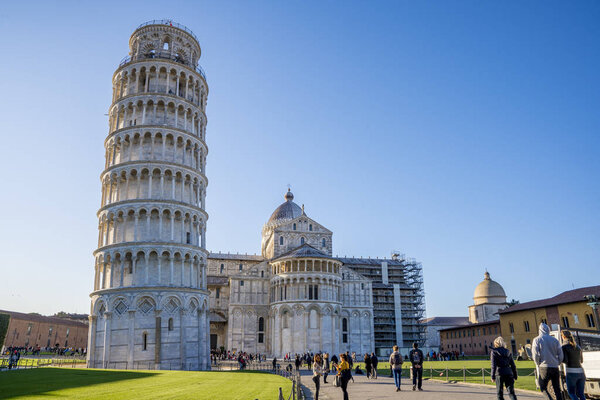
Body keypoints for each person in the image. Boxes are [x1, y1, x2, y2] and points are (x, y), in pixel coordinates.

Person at [532, 323, 564, 400]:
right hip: (555, 367)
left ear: (540, 330)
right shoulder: (555, 340)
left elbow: (535, 354)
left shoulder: (537, 340)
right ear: (548, 330)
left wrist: (538, 363)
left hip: (544, 367)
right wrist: (558, 362)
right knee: (557, 388)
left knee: (543, 387)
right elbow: (561, 354)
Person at [561, 330, 585, 400]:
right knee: (581, 394)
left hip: (571, 372)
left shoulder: (564, 347)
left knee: (571, 393)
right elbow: (581, 361)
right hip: (581, 372)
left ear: (563, 337)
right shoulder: (578, 347)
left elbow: (565, 360)